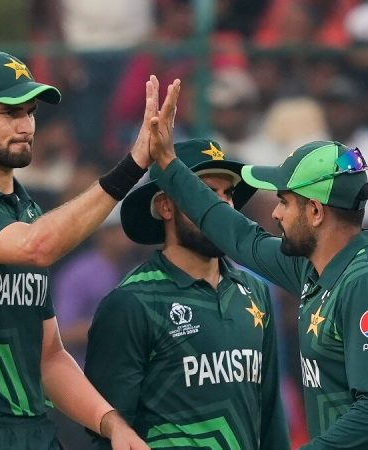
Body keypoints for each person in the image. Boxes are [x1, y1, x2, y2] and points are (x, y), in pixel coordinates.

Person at [0, 51, 178, 450]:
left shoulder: (28, 211)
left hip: (31, 431)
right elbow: (37, 247)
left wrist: (113, 425)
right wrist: (134, 163)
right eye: (9, 112)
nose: (26, 126)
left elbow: (50, 357)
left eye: (30, 112)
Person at [148, 83, 368, 449]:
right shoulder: (313, 267)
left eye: (284, 201)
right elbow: (238, 235)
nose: (275, 213)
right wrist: (169, 165)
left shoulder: (361, 281)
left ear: (315, 212)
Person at [84, 138, 291, 450]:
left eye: (228, 194)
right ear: (166, 206)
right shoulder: (132, 301)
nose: (222, 206)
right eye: (207, 193)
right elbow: (105, 430)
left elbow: (272, 415)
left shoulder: (255, 291)